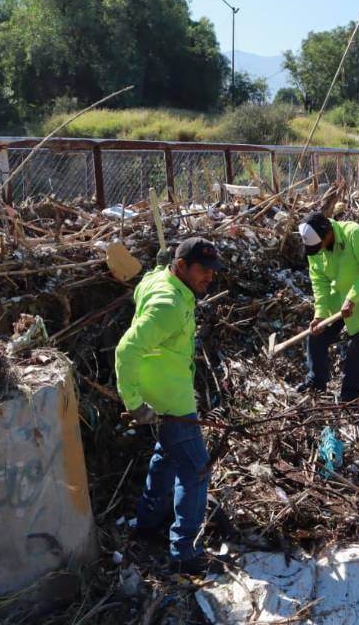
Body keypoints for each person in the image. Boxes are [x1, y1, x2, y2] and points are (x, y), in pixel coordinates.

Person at [115, 237, 223, 574]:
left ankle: (146, 523)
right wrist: (133, 402)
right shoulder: (169, 304)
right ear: (181, 267)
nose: (210, 277)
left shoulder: (157, 280)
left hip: (162, 391)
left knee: (166, 457)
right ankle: (184, 552)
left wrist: (162, 266)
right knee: (196, 470)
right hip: (171, 402)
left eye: (212, 270)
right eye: (202, 270)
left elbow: (145, 282)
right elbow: (126, 350)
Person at [296, 211, 359, 402]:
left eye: (319, 245)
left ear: (328, 233)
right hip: (337, 299)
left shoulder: (354, 234)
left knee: (356, 348)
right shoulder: (316, 250)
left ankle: (349, 397)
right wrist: (320, 314)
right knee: (316, 336)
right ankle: (316, 382)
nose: (317, 250)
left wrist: (353, 298)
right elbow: (319, 282)